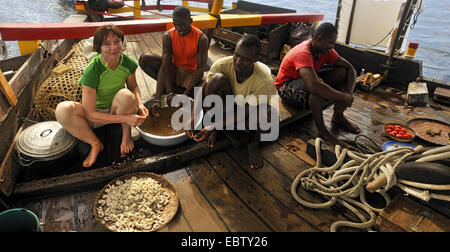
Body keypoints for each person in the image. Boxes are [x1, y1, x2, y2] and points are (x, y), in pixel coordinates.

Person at [55, 24, 149, 168]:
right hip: (93, 118)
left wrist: (140, 104)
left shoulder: (127, 63)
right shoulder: (93, 69)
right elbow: (91, 114)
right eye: (107, 44)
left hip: (115, 109)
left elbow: (133, 86)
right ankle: (95, 143)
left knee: (126, 95)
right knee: (63, 110)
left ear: (122, 43)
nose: (114, 48)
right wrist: (128, 118)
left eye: (117, 41)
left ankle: (126, 135)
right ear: (99, 48)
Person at [186, 35, 277, 169]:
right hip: (225, 105)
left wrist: (214, 126)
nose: (238, 62)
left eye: (246, 59)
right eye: (237, 55)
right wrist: (193, 116)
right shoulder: (222, 65)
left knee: (267, 114)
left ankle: (252, 144)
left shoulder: (264, 81)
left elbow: (246, 111)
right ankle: (218, 126)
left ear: (256, 60)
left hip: (245, 111)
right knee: (215, 80)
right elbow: (204, 88)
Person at [275, 22, 360, 147]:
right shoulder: (303, 52)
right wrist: (343, 97)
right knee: (317, 90)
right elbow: (313, 86)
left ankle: (338, 115)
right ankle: (323, 133)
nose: (332, 46)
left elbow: (350, 69)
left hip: (307, 79)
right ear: (319, 39)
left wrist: (349, 94)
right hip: (286, 86)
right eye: (331, 42)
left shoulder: (325, 50)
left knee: (342, 72)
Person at [138, 6, 209, 117]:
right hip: (173, 71)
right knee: (145, 58)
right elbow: (165, 66)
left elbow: (200, 69)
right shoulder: (168, 36)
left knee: (205, 91)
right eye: (176, 25)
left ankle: (180, 92)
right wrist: (160, 97)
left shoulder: (201, 39)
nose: (179, 28)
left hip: (191, 73)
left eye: (182, 25)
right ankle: (170, 91)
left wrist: (185, 95)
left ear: (190, 21)